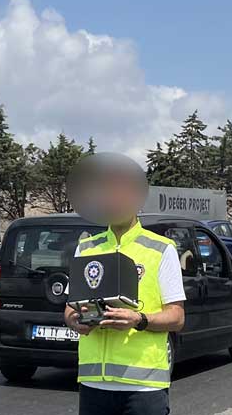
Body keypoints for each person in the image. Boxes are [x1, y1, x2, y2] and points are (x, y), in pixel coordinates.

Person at [62, 153, 186, 415]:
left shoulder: (161, 249)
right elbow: (70, 310)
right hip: (93, 384)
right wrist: (76, 321)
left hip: (144, 387)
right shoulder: (86, 248)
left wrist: (138, 319)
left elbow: (176, 317)